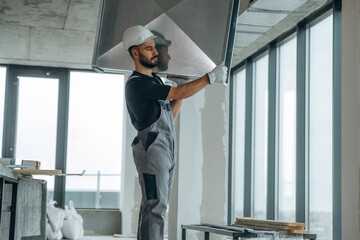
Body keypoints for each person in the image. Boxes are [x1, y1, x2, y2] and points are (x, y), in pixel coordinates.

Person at [123, 25, 227, 240]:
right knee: (155, 207)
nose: (155, 52)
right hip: (152, 150)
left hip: (165, 147)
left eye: (154, 48)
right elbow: (179, 92)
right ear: (135, 53)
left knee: (155, 205)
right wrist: (209, 78)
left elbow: (170, 115)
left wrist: (180, 91)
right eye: (149, 48)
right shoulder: (137, 84)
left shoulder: (155, 81)